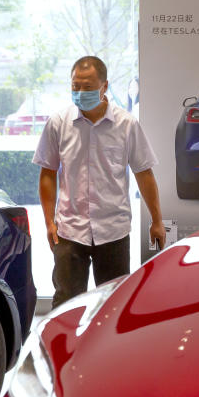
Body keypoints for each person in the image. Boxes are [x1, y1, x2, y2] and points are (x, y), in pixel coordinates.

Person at [33, 55, 166, 307]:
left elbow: (144, 173)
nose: (81, 92)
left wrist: (157, 221)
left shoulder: (126, 124)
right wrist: (49, 222)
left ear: (104, 86)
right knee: (65, 304)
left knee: (114, 306)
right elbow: (48, 173)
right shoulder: (58, 123)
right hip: (70, 231)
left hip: (113, 230)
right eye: (75, 86)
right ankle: (65, 348)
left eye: (88, 87)